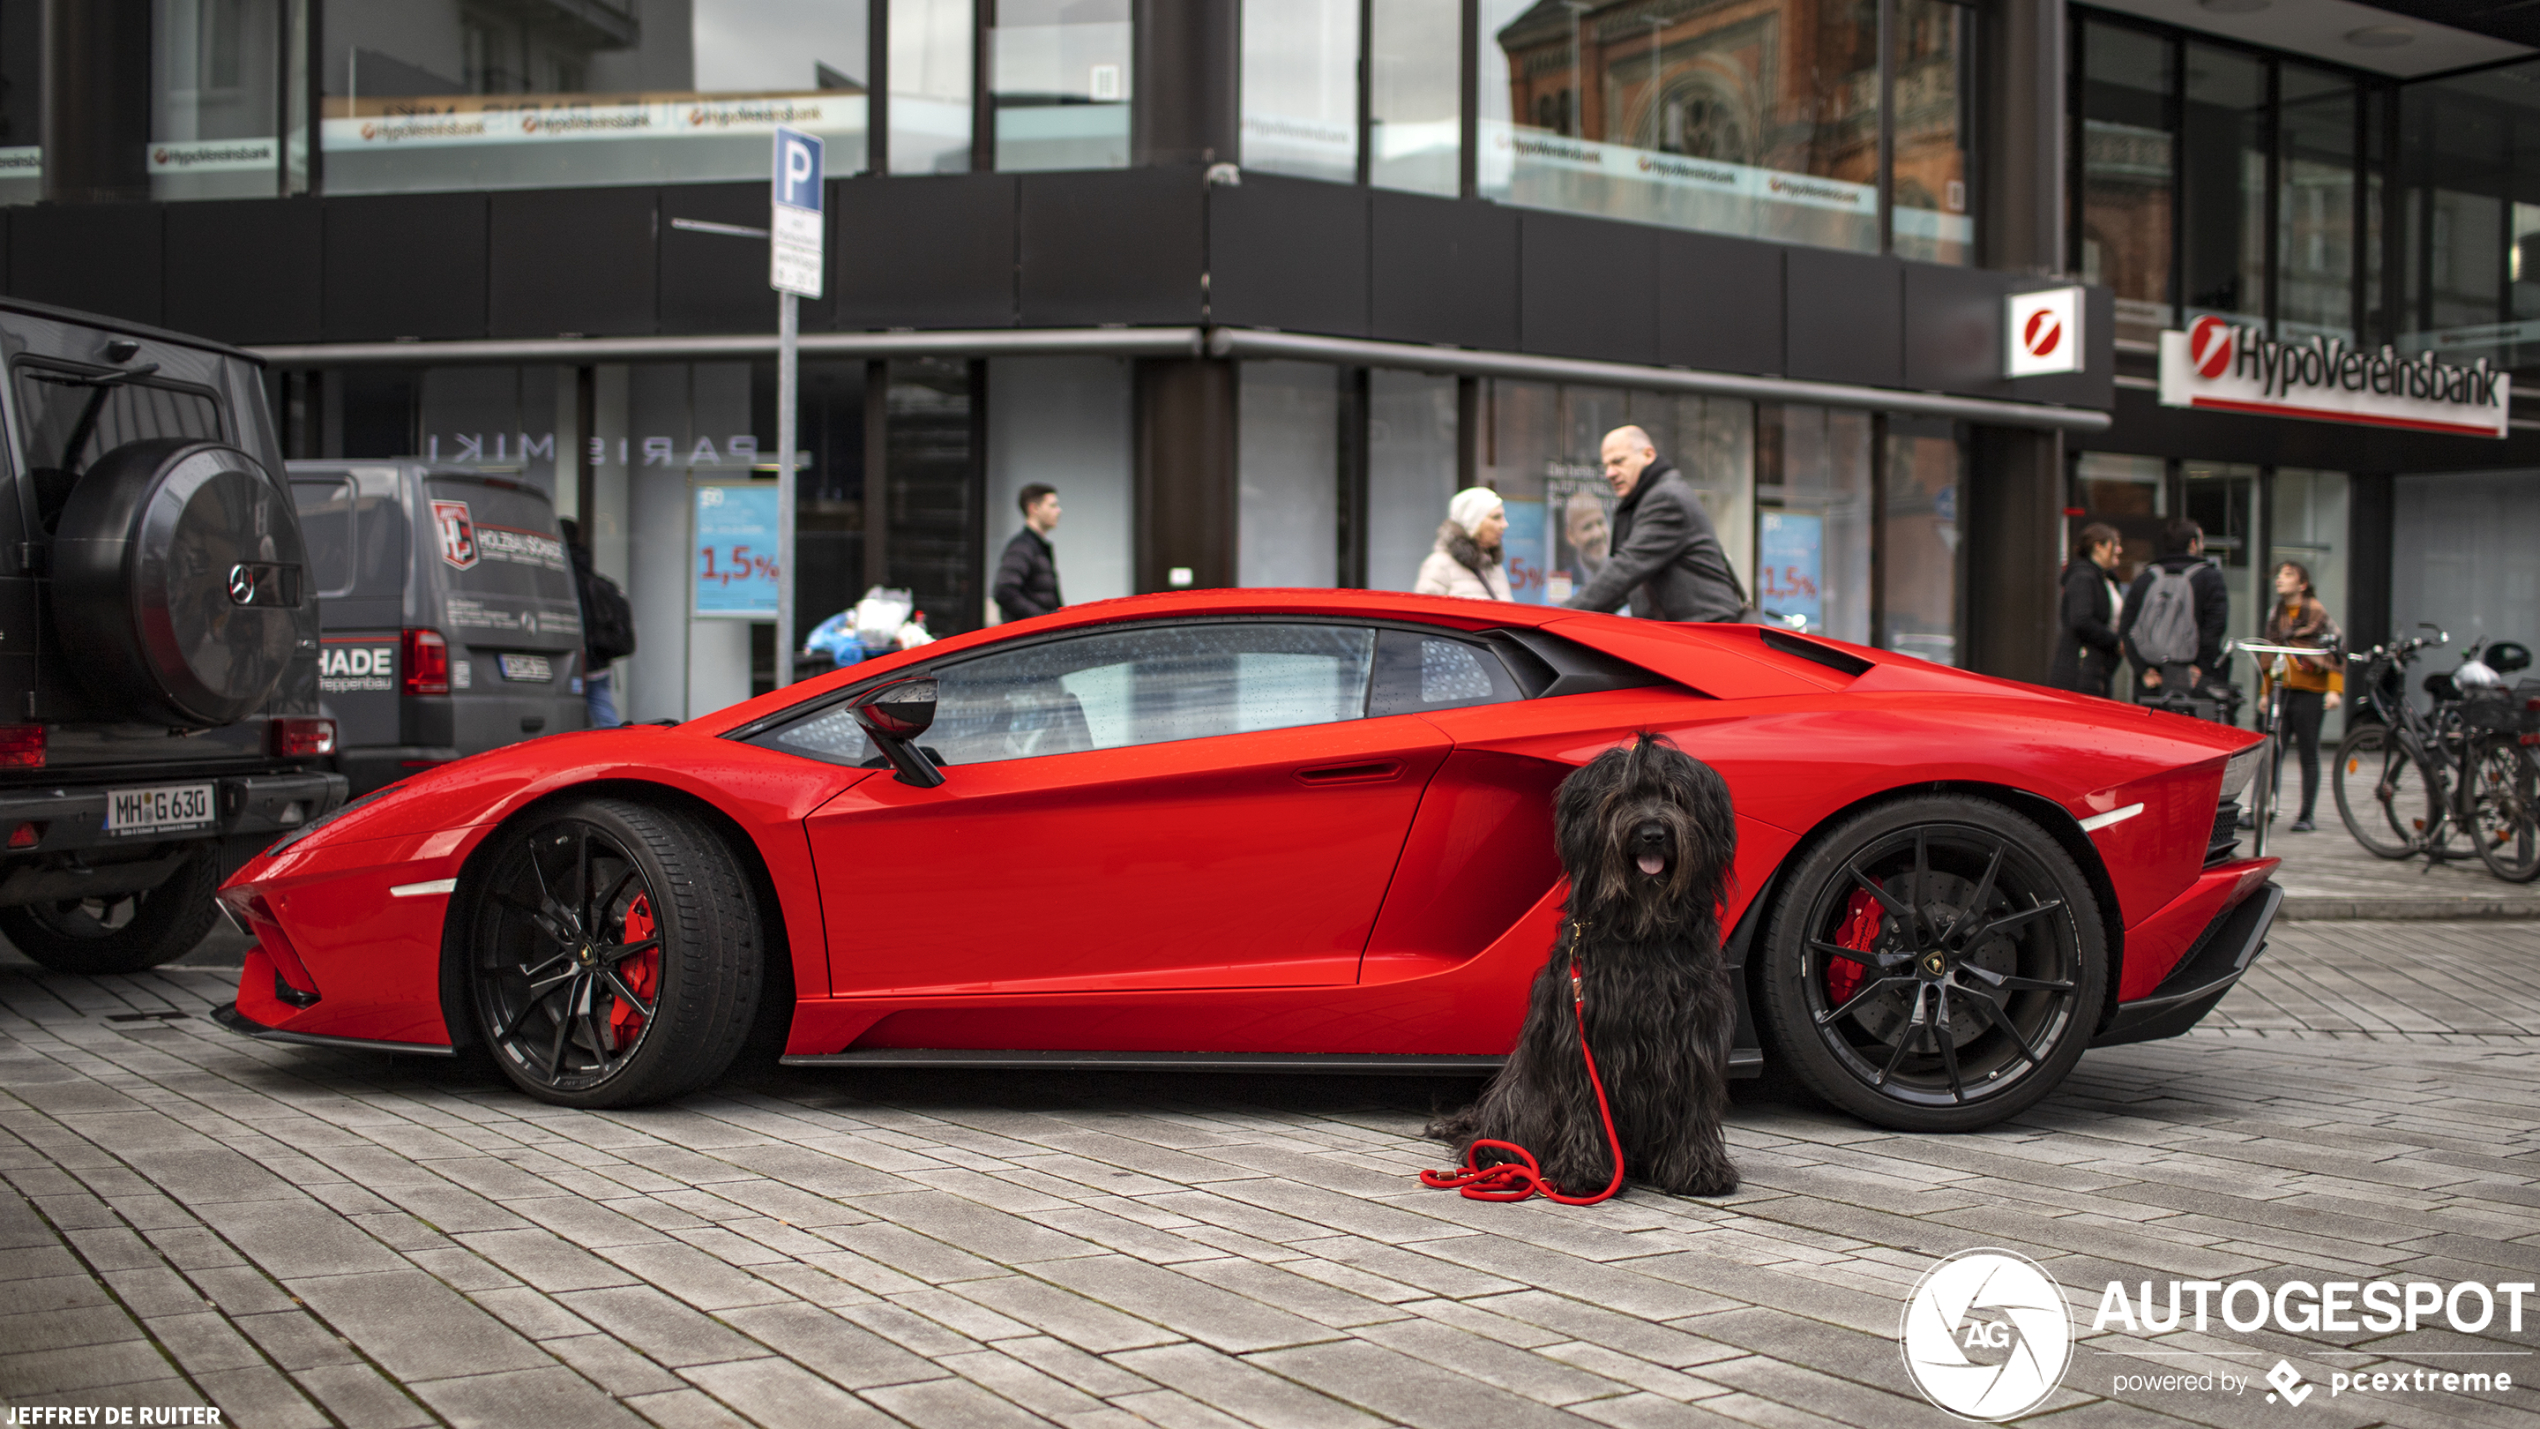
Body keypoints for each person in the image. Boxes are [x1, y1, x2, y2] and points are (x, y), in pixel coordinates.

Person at [1561, 425, 1748, 622]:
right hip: (1689, 635)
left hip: (1706, 636)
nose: (1610, 473)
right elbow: (1624, 584)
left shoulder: (1666, 499)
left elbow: (1625, 570)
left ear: (1648, 455)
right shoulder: (1644, 501)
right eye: (1606, 466)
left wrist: (1557, 617)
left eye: (1618, 462)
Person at [2260, 561, 2343, 832]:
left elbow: (2334, 652)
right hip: (2281, 690)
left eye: (2287, 575)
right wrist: (2265, 692)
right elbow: (2269, 653)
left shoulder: (2317, 613)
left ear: (2302, 584)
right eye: (2279, 574)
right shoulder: (2276, 615)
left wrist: (2334, 690)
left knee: (2308, 753)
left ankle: (2306, 815)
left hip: (2310, 693)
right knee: (2272, 753)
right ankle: (2265, 810)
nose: (2279, 580)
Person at [2117, 516, 2230, 704]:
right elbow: (2215, 627)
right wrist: (2200, 667)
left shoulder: (2145, 578)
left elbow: (2126, 627)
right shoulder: (2210, 577)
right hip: (2191, 677)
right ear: (2193, 544)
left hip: (2150, 678)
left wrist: (2142, 669)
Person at [559, 518, 634, 727]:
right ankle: (616, 748)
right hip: (599, 659)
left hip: (578, 659)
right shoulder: (590, 573)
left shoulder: (564, 573)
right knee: (602, 707)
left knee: (567, 717)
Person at [2048, 522, 2126, 697]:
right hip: (2081, 671)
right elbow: (2081, 621)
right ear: (2098, 547)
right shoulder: (2083, 577)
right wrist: (2115, 642)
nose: (2119, 550)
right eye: (2115, 544)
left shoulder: (2106, 579)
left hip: (2097, 669)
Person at [1415, 487, 1513, 600]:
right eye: (1496, 517)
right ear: (1473, 522)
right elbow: (1425, 613)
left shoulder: (1494, 567)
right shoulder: (1440, 565)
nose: (1504, 524)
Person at [993, 484, 1063, 623]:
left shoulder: (1036, 546)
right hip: (1029, 638)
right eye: (1052, 505)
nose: (1059, 511)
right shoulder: (1022, 547)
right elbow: (1004, 591)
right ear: (1034, 509)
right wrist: (1043, 620)